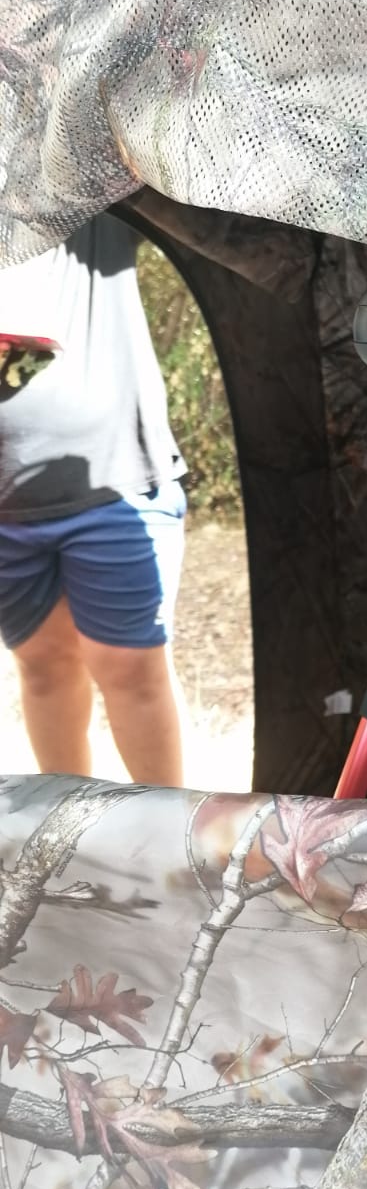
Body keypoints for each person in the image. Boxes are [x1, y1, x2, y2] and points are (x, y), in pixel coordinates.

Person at [0, 215, 189, 786]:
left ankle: (164, 835)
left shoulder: (83, 213)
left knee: (130, 667)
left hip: (116, 479)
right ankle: (67, 827)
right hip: (8, 508)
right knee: (42, 666)